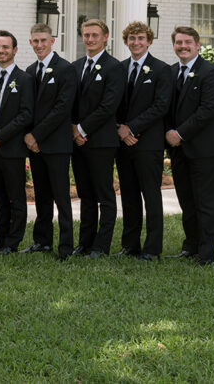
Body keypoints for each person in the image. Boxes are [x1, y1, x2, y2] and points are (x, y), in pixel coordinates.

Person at [165, 25, 214, 266]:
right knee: (186, 200)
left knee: (207, 203)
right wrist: (169, 134)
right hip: (178, 149)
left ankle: (206, 253)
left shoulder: (211, 72)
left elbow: (208, 110)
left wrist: (180, 133)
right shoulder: (170, 72)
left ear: (198, 45)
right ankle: (190, 246)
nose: (183, 46)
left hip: (206, 150)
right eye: (179, 43)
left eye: (188, 42)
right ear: (174, 46)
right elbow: (165, 107)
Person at [114, 21, 172, 261]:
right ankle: (130, 244)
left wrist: (132, 128)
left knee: (151, 195)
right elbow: (113, 102)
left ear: (149, 41)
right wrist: (120, 129)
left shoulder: (161, 69)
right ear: (126, 41)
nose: (136, 42)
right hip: (122, 142)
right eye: (131, 38)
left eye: (140, 38)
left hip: (148, 143)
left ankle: (152, 248)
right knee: (128, 195)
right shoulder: (120, 68)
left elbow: (161, 106)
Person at [70, 19, 125, 258]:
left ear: (106, 37)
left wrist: (81, 129)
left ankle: (101, 246)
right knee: (86, 195)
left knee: (104, 195)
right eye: (86, 35)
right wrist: (74, 129)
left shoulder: (114, 67)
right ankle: (84, 243)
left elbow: (108, 106)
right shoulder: (76, 66)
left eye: (94, 35)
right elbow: (71, 101)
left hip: (101, 141)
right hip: (78, 142)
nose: (90, 39)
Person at [23, 24, 76, 260]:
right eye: (35, 41)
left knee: (61, 198)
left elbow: (62, 108)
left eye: (43, 40)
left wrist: (37, 135)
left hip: (56, 145)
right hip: (35, 146)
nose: (39, 45)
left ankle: (65, 247)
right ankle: (42, 241)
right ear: (30, 43)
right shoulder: (30, 70)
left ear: (52, 41)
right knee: (41, 195)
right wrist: (30, 138)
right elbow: (28, 109)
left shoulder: (65, 69)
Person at [0, 31, 33, 254]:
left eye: (5, 47)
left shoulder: (24, 79)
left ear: (15, 50)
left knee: (16, 199)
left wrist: (0, 137)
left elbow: (25, 114)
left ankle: (12, 243)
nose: (1, 51)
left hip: (11, 148)